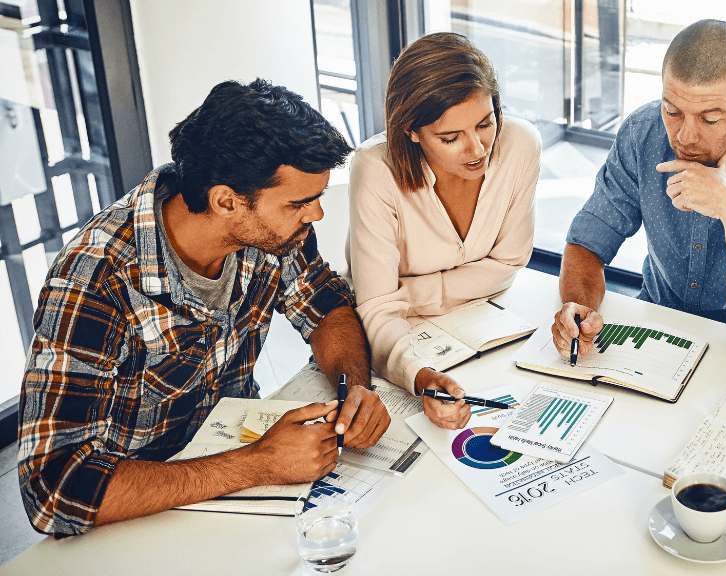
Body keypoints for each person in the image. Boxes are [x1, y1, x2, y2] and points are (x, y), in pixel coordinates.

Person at [18, 80, 391, 537]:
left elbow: (325, 304)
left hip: (241, 477)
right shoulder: (94, 280)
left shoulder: (272, 233)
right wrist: (256, 465)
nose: (316, 216)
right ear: (226, 201)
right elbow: (51, 488)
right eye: (300, 202)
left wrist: (354, 388)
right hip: (134, 512)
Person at [552, 19, 726, 360]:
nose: (684, 137)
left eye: (710, 119)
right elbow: (587, 243)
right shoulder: (643, 133)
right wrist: (579, 310)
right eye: (672, 111)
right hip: (659, 329)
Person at [347, 32, 540, 428]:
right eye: (450, 138)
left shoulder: (520, 145)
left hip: (493, 332)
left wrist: (409, 293)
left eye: (486, 124)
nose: (477, 149)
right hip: (404, 343)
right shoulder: (375, 171)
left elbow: (509, 263)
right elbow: (378, 312)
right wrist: (419, 376)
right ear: (412, 132)